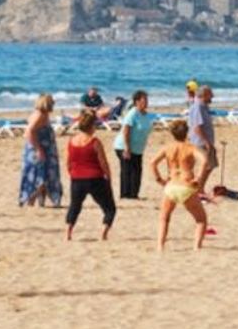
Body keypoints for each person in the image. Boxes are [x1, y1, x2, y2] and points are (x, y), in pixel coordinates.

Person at [150, 120, 209, 251]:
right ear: (186, 132)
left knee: (164, 218)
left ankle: (160, 246)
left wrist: (159, 179)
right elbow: (204, 161)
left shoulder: (168, 148)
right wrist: (199, 178)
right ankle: (196, 247)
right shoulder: (190, 147)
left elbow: (152, 163)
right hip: (186, 184)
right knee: (201, 220)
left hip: (171, 185)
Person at [66, 110, 116, 241]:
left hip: (77, 178)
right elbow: (103, 162)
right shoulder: (95, 142)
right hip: (95, 178)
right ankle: (104, 233)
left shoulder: (72, 141)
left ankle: (68, 232)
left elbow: (69, 162)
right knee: (109, 208)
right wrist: (108, 177)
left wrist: (72, 174)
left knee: (74, 206)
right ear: (91, 126)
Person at [19, 94, 63, 208]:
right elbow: (29, 132)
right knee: (40, 175)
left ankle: (38, 201)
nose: (53, 104)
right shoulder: (40, 115)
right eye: (52, 102)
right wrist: (39, 149)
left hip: (43, 148)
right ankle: (31, 199)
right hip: (40, 149)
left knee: (42, 174)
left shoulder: (41, 114)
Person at [113, 90, 155, 200]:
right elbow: (126, 130)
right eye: (144, 100)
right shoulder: (132, 113)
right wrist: (127, 148)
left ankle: (133, 195)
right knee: (127, 170)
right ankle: (125, 195)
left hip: (138, 149)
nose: (146, 102)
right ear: (137, 101)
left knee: (137, 171)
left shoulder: (146, 115)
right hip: (124, 146)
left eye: (147, 100)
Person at [188, 85, 219, 189]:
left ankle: (200, 188)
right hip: (200, 143)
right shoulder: (198, 107)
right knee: (205, 165)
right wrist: (206, 142)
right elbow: (197, 128)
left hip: (206, 142)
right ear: (204, 95)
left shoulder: (204, 107)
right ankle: (199, 189)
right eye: (210, 94)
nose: (213, 96)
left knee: (210, 165)